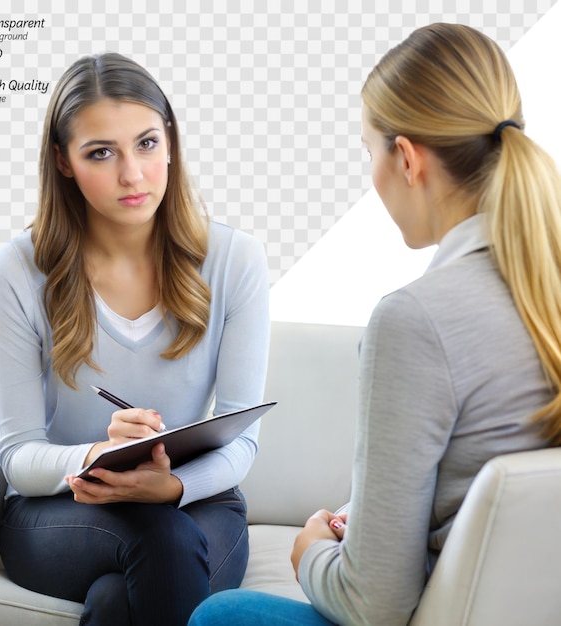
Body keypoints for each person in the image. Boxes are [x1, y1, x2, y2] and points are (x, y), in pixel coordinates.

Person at [188, 22, 561, 626]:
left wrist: (309, 551)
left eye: (370, 152)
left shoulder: (414, 320)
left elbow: (375, 605)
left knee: (220, 615)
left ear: (407, 157)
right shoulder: (546, 288)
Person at [0, 52, 270, 626]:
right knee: (160, 543)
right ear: (63, 162)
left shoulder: (235, 261)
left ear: (170, 142)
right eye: (101, 153)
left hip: (195, 502)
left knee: (121, 597)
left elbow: (243, 437)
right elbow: (19, 457)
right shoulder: (16, 272)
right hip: (59, 510)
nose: (133, 175)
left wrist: (170, 486)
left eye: (145, 143)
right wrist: (99, 456)